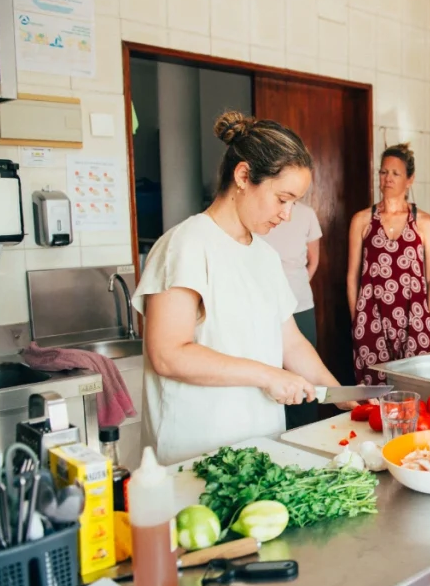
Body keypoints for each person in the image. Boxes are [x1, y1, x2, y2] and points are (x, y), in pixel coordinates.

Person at [132, 112, 354, 465]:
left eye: (294, 203)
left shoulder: (264, 256)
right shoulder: (186, 245)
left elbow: (290, 341)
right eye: (283, 199)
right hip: (194, 451)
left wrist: (338, 393)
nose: (287, 214)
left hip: (259, 447)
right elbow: (168, 354)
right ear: (243, 176)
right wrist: (268, 376)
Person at [348, 143, 430, 385]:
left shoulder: (424, 222)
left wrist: (427, 323)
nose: (387, 178)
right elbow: (351, 276)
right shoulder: (362, 220)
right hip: (371, 317)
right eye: (383, 171)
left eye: (395, 173)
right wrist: (357, 319)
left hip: (414, 318)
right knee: (374, 392)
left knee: (417, 388)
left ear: (410, 179)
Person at [262, 201, 323, 428]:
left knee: (303, 375)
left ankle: (305, 429)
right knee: (274, 372)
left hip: (300, 302)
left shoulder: (307, 214)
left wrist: (289, 291)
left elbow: (313, 260)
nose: (285, 214)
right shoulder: (261, 221)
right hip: (265, 306)